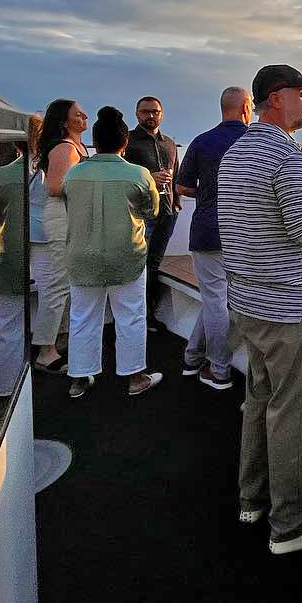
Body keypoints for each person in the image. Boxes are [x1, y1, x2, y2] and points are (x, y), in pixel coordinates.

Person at [218, 65, 302, 555]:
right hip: (291, 309)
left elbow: (261, 208)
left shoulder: (239, 153)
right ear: (278, 98)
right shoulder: (288, 156)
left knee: (260, 401)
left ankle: (252, 499)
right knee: (294, 413)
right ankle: (291, 525)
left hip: (250, 303)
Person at [63, 106, 163, 399]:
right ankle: (134, 378)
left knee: (82, 317)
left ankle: (80, 379)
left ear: (96, 140)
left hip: (82, 257)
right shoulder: (139, 174)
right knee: (130, 316)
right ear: (124, 142)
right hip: (126, 257)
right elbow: (151, 210)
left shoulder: (74, 174)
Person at [177, 86, 252, 388]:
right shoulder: (254, 142)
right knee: (221, 301)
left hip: (208, 231)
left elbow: (182, 188)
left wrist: (208, 193)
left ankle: (195, 357)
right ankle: (218, 369)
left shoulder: (201, 141)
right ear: (246, 107)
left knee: (214, 299)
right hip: (245, 235)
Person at [32, 99, 88, 372]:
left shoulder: (77, 147)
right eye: (78, 114)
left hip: (72, 214)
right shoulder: (65, 148)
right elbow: (55, 187)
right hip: (62, 215)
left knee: (66, 282)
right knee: (57, 284)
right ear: (65, 122)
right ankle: (45, 351)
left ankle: (58, 339)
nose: (84, 116)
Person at [124, 96, 180, 332]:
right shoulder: (128, 142)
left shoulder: (169, 143)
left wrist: (176, 202)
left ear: (162, 114)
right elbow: (122, 173)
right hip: (140, 212)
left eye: (155, 112)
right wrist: (149, 177)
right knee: (138, 266)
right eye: (146, 112)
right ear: (137, 114)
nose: (151, 116)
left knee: (155, 265)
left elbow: (176, 174)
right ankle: (133, 318)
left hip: (167, 211)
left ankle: (149, 316)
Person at [0, 141, 28, 397]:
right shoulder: (64, 176)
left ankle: (5, 389)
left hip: (9, 260)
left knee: (7, 325)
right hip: (54, 258)